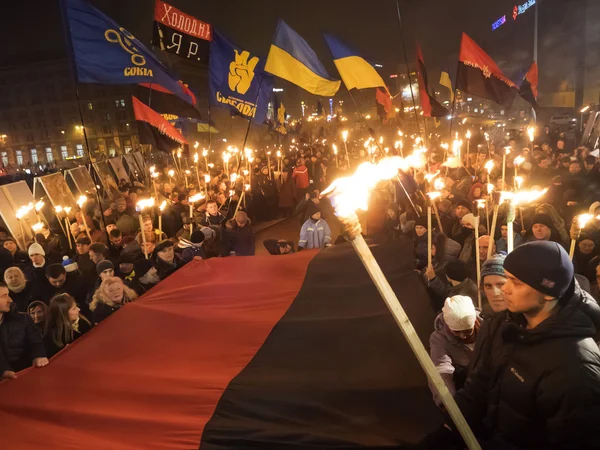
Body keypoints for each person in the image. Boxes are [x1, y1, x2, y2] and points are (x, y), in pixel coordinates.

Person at [450, 241, 600, 449]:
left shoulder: (575, 368)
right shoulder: (506, 324)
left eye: (516, 282)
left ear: (548, 291)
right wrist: (450, 429)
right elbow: (478, 386)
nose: (505, 290)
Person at [429, 295, 481, 407]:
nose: (463, 336)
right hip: (465, 388)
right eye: (456, 332)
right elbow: (442, 370)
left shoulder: (488, 328)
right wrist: (450, 405)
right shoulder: (439, 339)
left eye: (467, 331)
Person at [0, 283, 48, 379]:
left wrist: (39, 355)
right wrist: (3, 371)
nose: (10, 300)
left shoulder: (23, 319)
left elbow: (35, 341)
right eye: (4, 296)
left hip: (25, 375)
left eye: (8, 294)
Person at [43, 293, 93, 358]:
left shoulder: (84, 324)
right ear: (64, 313)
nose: (79, 309)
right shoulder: (52, 336)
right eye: (74, 308)